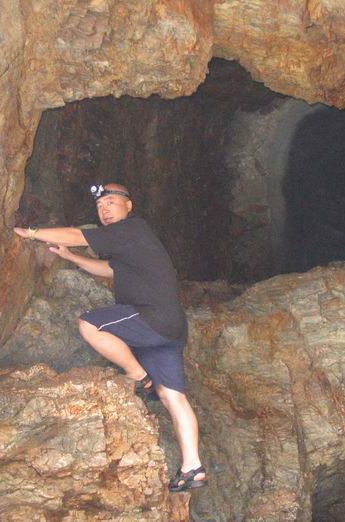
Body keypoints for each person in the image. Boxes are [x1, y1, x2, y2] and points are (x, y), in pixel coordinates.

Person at [13, 183, 207, 492]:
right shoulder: (132, 242)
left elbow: (77, 235)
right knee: (172, 395)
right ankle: (192, 467)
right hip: (171, 328)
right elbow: (110, 270)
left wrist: (32, 233)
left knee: (91, 324)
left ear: (129, 206)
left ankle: (139, 376)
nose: (105, 209)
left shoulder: (131, 229)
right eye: (100, 205)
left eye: (112, 202)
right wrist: (71, 258)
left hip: (150, 317)